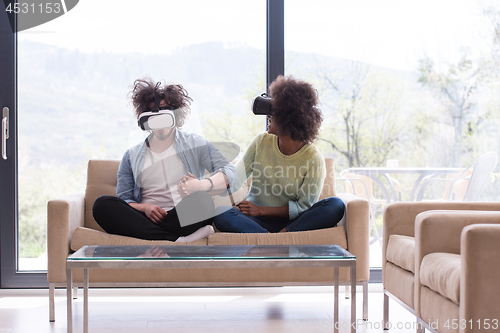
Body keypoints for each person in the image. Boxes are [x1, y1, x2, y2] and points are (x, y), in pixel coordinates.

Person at [93, 77, 237, 242]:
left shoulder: (194, 143)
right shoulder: (131, 155)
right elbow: (124, 199)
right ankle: (175, 240)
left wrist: (201, 185)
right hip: (145, 218)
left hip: (181, 215)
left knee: (203, 200)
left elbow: (229, 171)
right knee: (101, 205)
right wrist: (145, 207)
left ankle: (156, 237)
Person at [213, 75, 345, 233]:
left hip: (295, 221)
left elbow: (304, 206)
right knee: (221, 213)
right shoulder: (261, 142)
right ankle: (273, 239)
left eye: (274, 112)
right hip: (256, 221)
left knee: (335, 205)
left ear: (290, 120)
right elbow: (234, 177)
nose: (268, 116)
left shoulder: (313, 158)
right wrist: (206, 185)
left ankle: (278, 236)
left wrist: (261, 210)